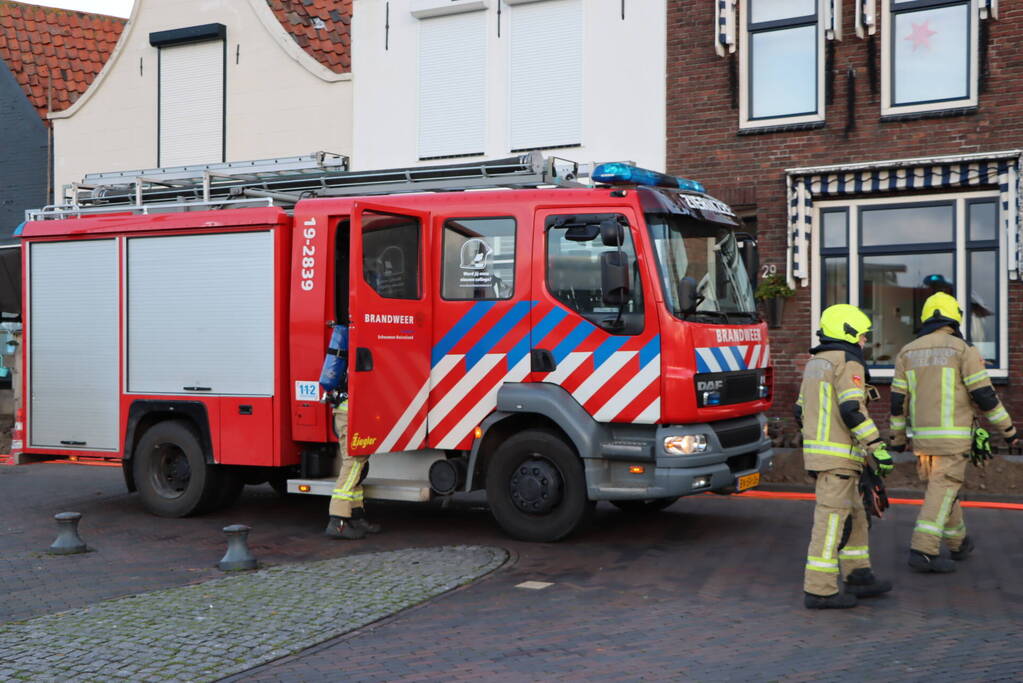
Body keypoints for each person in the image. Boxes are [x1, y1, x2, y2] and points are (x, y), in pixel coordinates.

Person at [890, 292, 1019, 572]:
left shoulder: (907, 352)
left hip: (923, 441)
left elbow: (898, 401)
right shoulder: (963, 350)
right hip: (953, 439)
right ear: (954, 318)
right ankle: (923, 550)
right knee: (943, 489)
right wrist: (1009, 431)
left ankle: (958, 542)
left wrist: (898, 438)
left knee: (944, 490)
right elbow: (985, 396)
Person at [796, 304, 894, 609]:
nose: (865, 341)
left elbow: (799, 411)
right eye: (862, 335)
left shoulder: (816, 362)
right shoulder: (848, 362)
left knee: (857, 516)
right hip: (839, 458)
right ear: (848, 332)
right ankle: (820, 590)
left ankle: (858, 575)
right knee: (832, 521)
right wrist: (876, 446)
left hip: (826, 456)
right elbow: (853, 410)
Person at [320, 323, 381, 541]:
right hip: (350, 415)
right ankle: (337, 519)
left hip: (348, 414)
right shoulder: (358, 358)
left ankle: (356, 516)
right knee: (353, 462)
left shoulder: (350, 356)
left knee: (358, 462)